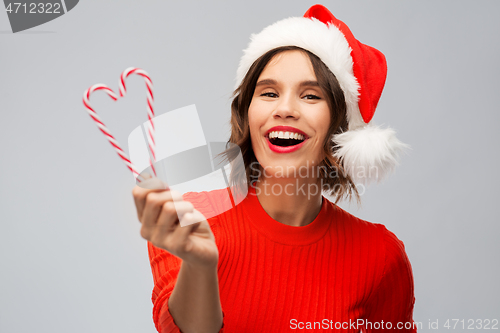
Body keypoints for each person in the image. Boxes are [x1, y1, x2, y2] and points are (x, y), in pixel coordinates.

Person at [132, 4, 416, 333]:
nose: (284, 109)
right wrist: (200, 263)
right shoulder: (186, 219)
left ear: (340, 127)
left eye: (311, 96)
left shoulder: (380, 256)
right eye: (268, 93)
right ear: (247, 113)